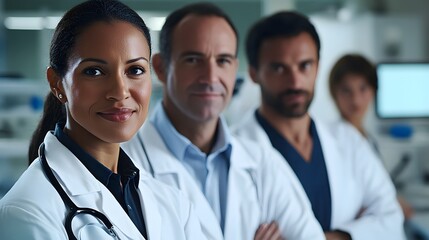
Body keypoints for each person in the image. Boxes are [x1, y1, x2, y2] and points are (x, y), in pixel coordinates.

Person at [0, 1, 205, 239]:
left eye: (135, 70)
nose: (120, 91)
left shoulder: (172, 203)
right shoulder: (27, 212)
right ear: (57, 83)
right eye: (94, 71)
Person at [123, 2, 324, 240]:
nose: (210, 77)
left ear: (235, 68)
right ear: (160, 67)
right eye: (193, 60)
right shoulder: (124, 165)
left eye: (223, 61)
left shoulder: (262, 162)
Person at [233, 11, 406, 240]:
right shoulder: (234, 152)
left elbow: (391, 219)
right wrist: (360, 228)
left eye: (304, 66)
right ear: (254, 73)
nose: (295, 81)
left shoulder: (348, 140)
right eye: (279, 68)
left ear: (317, 67)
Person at [329, 54, 414, 220]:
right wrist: (391, 205)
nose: (356, 99)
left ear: (374, 91)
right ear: (334, 94)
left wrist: (392, 202)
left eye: (363, 88)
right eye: (347, 91)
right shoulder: (334, 142)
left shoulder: (367, 138)